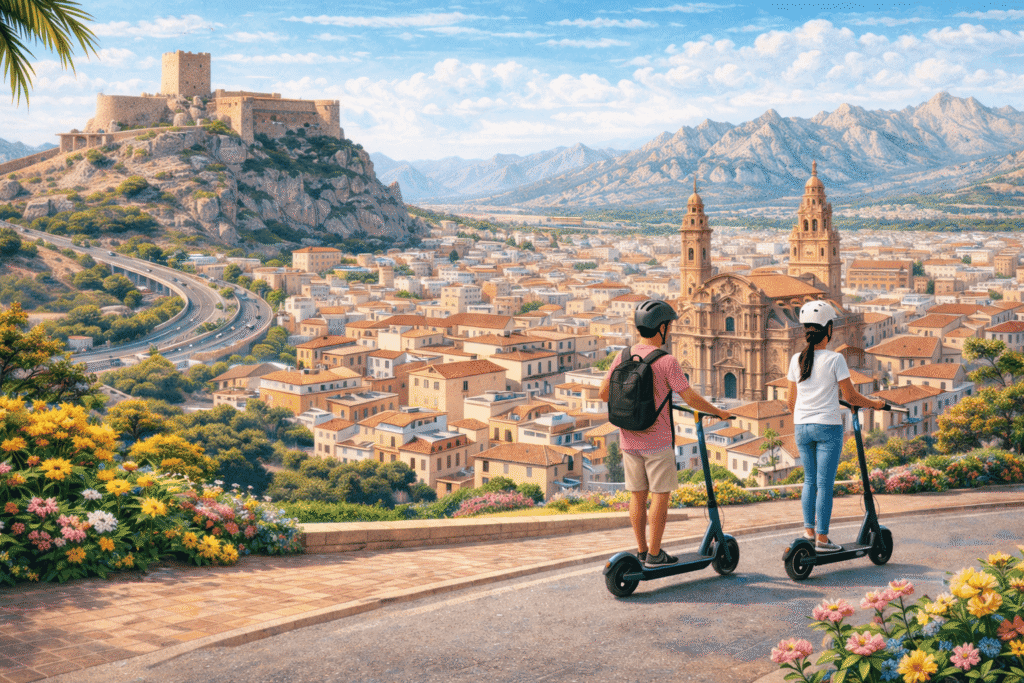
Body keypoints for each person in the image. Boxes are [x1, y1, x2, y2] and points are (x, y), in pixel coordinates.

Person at [599, 300, 732, 568]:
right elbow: (690, 397)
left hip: (628, 438)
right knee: (660, 495)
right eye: (668, 325)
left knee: (637, 495)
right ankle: (656, 554)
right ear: (661, 327)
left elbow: (604, 393)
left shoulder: (622, 355)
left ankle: (641, 550)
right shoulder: (666, 361)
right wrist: (719, 413)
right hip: (657, 441)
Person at [787, 300, 885, 552]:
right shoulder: (834, 359)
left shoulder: (796, 359)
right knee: (825, 485)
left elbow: (790, 401)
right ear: (828, 330)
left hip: (801, 426)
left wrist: (804, 415)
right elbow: (851, 397)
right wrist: (874, 404)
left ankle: (809, 531)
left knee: (809, 482)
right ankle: (822, 539)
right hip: (827, 428)